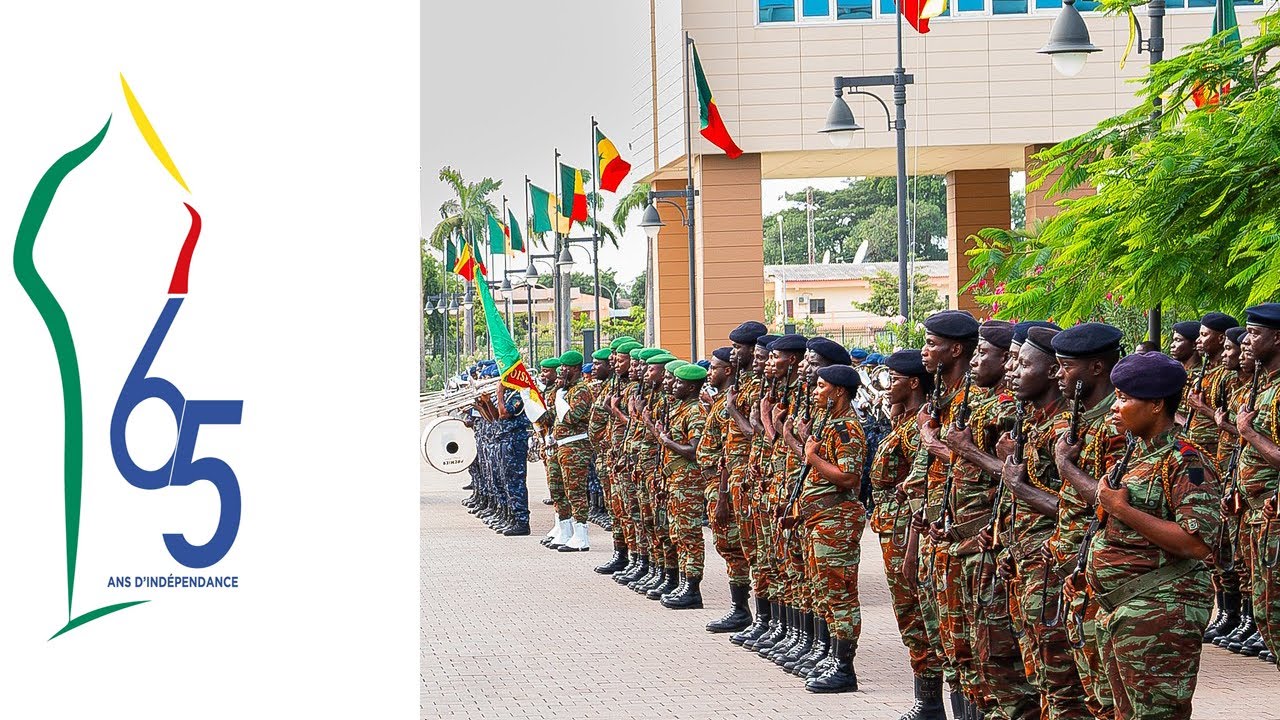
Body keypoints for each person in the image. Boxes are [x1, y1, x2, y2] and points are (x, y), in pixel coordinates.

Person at [1079, 351, 1221, 719]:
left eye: (1125, 398)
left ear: (1157, 404)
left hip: (1161, 610)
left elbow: (1196, 542)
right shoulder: (1135, 453)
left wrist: (1122, 509)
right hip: (1123, 607)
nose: (1116, 407)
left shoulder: (1187, 461)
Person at [1050, 322, 1126, 720]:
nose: (1059, 375)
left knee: (1107, 696)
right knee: (1086, 691)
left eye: (1067, 367)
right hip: (1078, 569)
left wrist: (1066, 465)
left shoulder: (1115, 426)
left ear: (1097, 369)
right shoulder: (1081, 419)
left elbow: (1113, 501)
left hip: (1108, 575)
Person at [869, 349, 945, 719]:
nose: (887, 386)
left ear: (914, 383)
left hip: (907, 532)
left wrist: (912, 546)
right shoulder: (906, 421)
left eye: (894, 379)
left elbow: (920, 490)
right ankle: (926, 699)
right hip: (894, 529)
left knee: (917, 618)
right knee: (910, 617)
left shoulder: (921, 426)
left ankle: (930, 703)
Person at [912, 309, 980, 718]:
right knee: (947, 641)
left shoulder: (972, 398)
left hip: (970, 535)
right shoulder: (942, 393)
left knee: (968, 648)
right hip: (941, 527)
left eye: (932, 343)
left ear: (956, 349)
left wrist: (929, 438)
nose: (925, 351)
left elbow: (973, 461)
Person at [793, 364, 867, 693]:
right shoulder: (829, 422)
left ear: (838, 390)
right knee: (824, 594)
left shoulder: (846, 429)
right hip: (820, 521)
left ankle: (845, 668)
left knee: (841, 596)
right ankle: (833, 657)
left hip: (836, 522)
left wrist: (812, 458)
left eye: (821, 386)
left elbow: (849, 478)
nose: (815, 391)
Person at [1234, 303, 1280, 669]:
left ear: (1277, 338)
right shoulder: (1266, 386)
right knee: (1266, 613)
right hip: (1258, 518)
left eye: (1255, 334)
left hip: (1274, 518)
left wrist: (1248, 433)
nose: (1247, 341)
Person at [700, 346, 754, 632]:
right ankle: (740, 608)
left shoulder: (728, 404)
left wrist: (722, 495)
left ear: (728, 371)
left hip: (727, 484)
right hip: (717, 483)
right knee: (727, 546)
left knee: (735, 548)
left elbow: (726, 453)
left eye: (715, 367)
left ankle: (741, 609)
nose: (711, 372)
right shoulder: (721, 401)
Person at [656, 362, 710, 609]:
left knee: (689, 534)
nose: (673, 385)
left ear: (690, 387)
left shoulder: (695, 412)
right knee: (678, 532)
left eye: (679, 382)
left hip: (688, 482)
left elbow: (695, 450)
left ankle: (693, 587)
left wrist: (668, 442)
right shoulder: (681, 408)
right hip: (676, 481)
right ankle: (683, 583)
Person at [553, 350, 596, 552]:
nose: (562, 371)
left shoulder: (581, 390)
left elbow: (572, 417)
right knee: (563, 490)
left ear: (576, 369)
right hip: (564, 446)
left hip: (576, 447)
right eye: (561, 368)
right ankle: (567, 531)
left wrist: (559, 399)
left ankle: (581, 536)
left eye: (566, 368)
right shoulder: (568, 389)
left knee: (576, 492)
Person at [493, 383, 532, 536]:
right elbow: (495, 418)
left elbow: (504, 414)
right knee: (507, 481)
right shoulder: (510, 393)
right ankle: (513, 518)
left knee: (516, 482)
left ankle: (522, 521)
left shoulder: (517, 395)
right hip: (507, 440)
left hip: (515, 441)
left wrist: (499, 393)